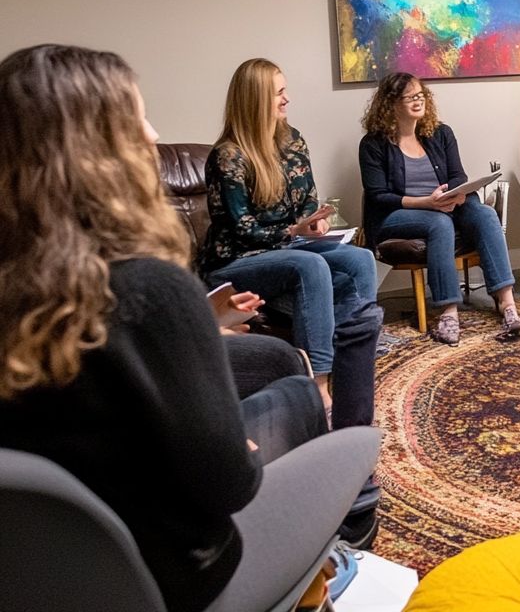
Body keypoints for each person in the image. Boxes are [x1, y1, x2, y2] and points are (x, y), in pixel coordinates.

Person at [0, 44, 378, 612]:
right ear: (93, 152)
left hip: (52, 569)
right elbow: (230, 483)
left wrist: (202, 326)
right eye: (137, 120)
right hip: (181, 576)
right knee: (324, 419)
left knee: (281, 362)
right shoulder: (148, 288)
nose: (154, 136)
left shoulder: (31, 286)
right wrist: (233, 440)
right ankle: (334, 559)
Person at [200, 58, 382, 436]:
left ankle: (357, 364)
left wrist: (315, 222)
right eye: (278, 93)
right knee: (310, 267)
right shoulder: (228, 156)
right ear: (255, 99)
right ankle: (319, 387)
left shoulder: (293, 140)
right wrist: (291, 232)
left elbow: (307, 200)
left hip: (289, 246)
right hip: (236, 260)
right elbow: (241, 228)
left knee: (360, 258)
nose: (287, 99)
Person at [360, 72, 520, 345]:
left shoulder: (440, 133)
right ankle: (449, 312)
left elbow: (458, 175)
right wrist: (427, 203)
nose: (418, 101)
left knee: (484, 213)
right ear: (391, 104)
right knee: (439, 223)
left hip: (443, 203)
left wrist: (456, 194)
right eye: (410, 97)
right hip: (396, 214)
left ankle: (507, 305)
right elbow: (378, 196)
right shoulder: (373, 144)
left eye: (420, 95)